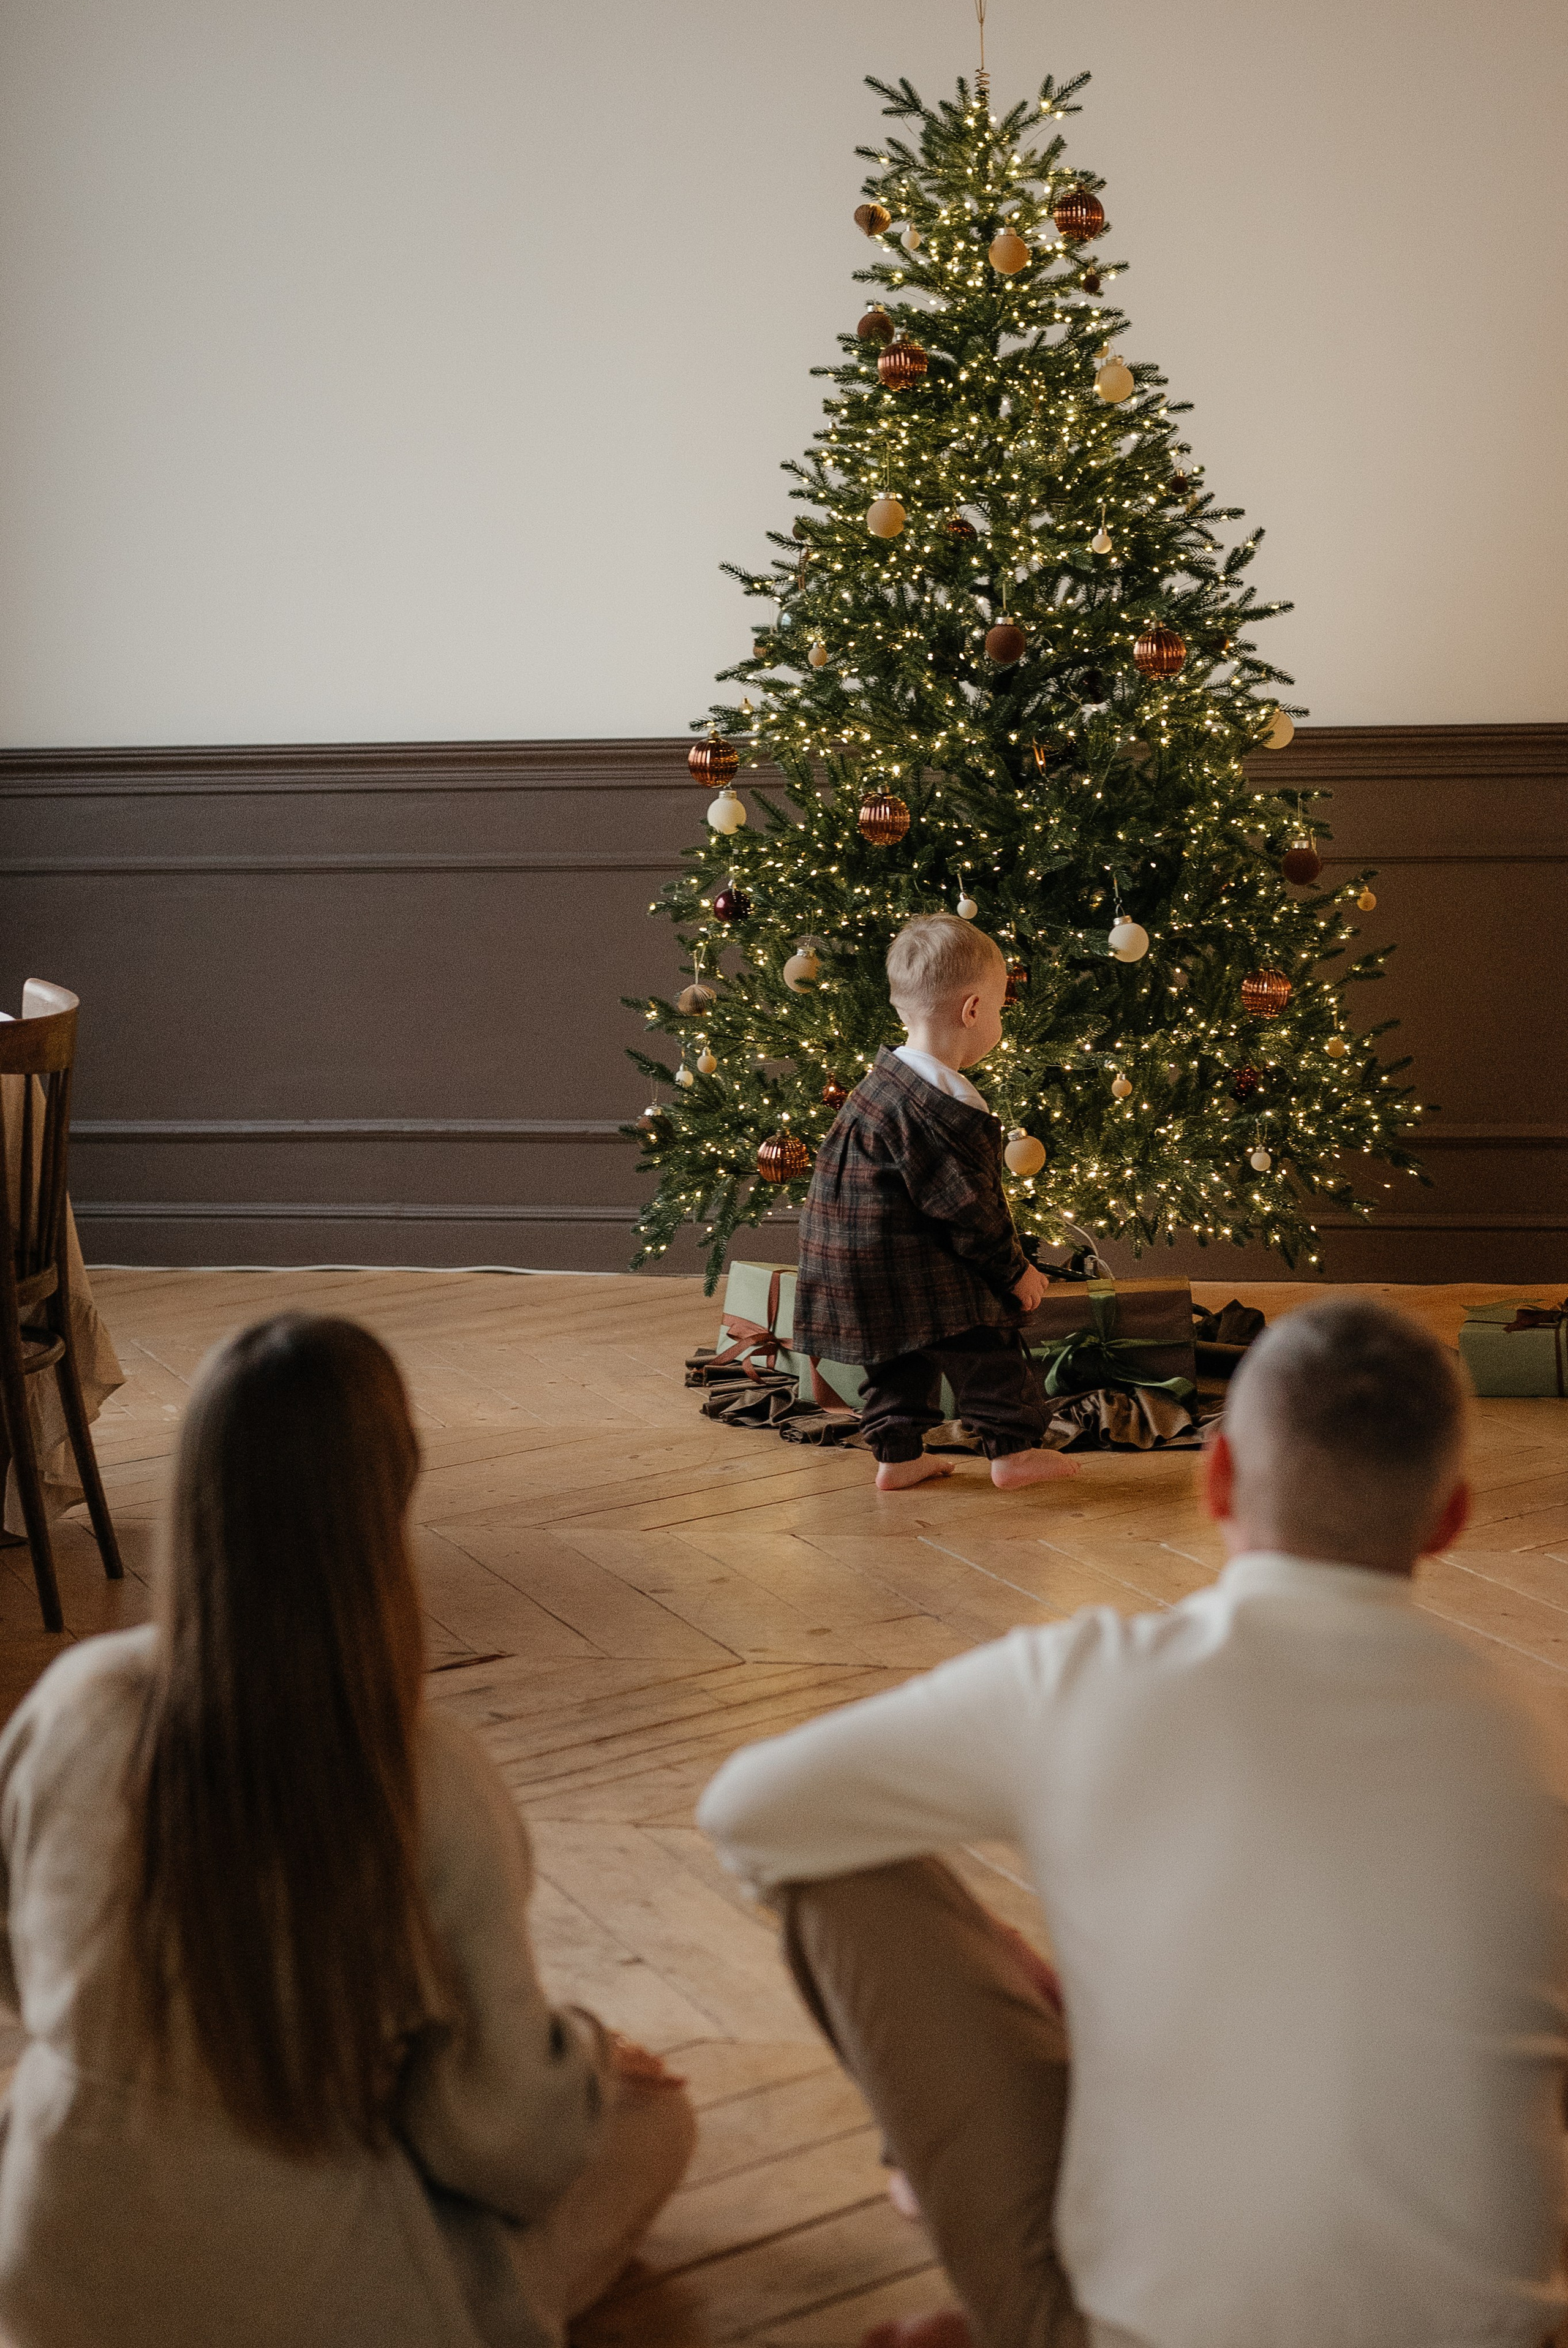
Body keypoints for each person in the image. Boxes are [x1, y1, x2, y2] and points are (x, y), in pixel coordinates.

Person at [698, 1297, 1568, 2348]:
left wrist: (1009, 1952)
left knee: (833, 1863)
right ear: (1451, 1517)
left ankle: (995, 2240)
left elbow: (748, 1809)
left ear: (1216, 1481)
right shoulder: (1529, 1750)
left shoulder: (1088, 1678)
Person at [0, 1314, 695, 2348]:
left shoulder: (71, 1703)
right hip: (321, 2301)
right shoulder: (426, 1773)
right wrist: (584, 2058)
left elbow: (21, 1971)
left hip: (54, 2274)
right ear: (390, 1497)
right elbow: (500, 2139)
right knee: (652, 2122)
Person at [791, 913, 1078, 1493]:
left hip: (850, 1265)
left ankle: (897, 1457)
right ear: (973, 1011)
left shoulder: (884, 1082)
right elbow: (969, 1210)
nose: (998, 1020)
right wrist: (1014, 1270)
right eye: (999, 1008)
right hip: (910, 1266)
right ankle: (1014, 1453)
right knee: (988, 1347)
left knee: (897, 1358)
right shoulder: (946, 1100)